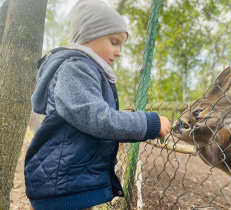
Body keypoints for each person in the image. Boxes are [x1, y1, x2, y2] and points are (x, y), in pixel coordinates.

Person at [24, 0, 171, 209]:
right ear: (87, 36)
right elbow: (99, 118)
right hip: (62, 184)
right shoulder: (75, 69)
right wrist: (150, 123)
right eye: (113, 42)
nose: (119, 52)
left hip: (69, 181)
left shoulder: (89, 71)